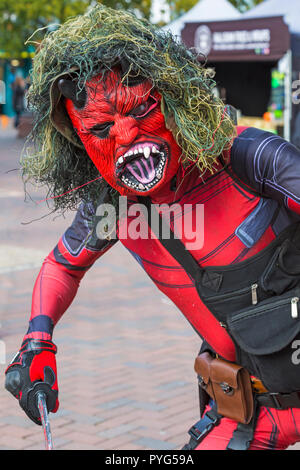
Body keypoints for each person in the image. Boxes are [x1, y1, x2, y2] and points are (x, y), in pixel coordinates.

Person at [5, 4, 300, 450]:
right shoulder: (114, 206)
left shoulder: (249, 159)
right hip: (247, 415)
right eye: (101, 128)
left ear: (175, 98)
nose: (126, 136)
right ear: (79, 142)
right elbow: (63, 266)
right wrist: (36, 340)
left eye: (142, 109)